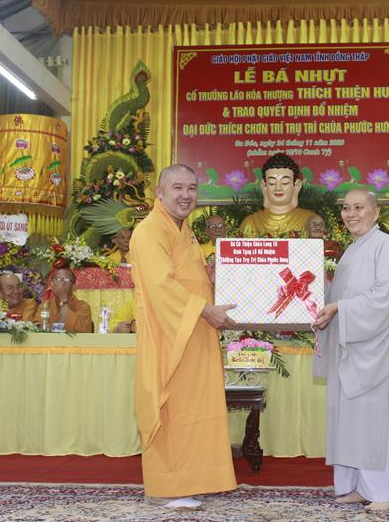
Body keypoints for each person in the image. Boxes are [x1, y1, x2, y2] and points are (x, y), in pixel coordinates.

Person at [129, 164, 237, 510]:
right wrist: (206, 310)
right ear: (159, 192)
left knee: (195, 410)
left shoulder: (184, 230)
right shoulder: (150, 230)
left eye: (192, 188)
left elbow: (191, 279)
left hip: (195, 332)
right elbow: (161, 286)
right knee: (171, 409)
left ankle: (190, 481)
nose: (186, 195)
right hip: (170, 334)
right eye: (177, 188)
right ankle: (164, 487)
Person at [313, 189, 389, 512]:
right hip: (350, 349)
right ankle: (360, 487)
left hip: (377, 353)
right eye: (346, 208)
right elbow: (337, 298)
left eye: (359, 207)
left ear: (376, 212)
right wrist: (319, 306)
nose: (351, 214)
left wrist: (339, 308)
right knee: (352, 422)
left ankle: (385, 490)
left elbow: (384, 298)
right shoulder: (352, 251)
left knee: (379, 423)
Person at [240, 153, 315, 237]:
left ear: (296, 186)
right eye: (272, 183)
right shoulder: (251, 223)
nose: (278, 188)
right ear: (264, 186)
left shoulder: (310, 221)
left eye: (285, 183)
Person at [36, 268, 93, 332]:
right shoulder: (45, 305)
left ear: (74, 287)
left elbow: (82, 331)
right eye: (57, 279)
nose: (60, 283)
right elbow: (36, 329)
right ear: (52, 284)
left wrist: (63, 300)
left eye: (65, 280)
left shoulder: (83, 306)